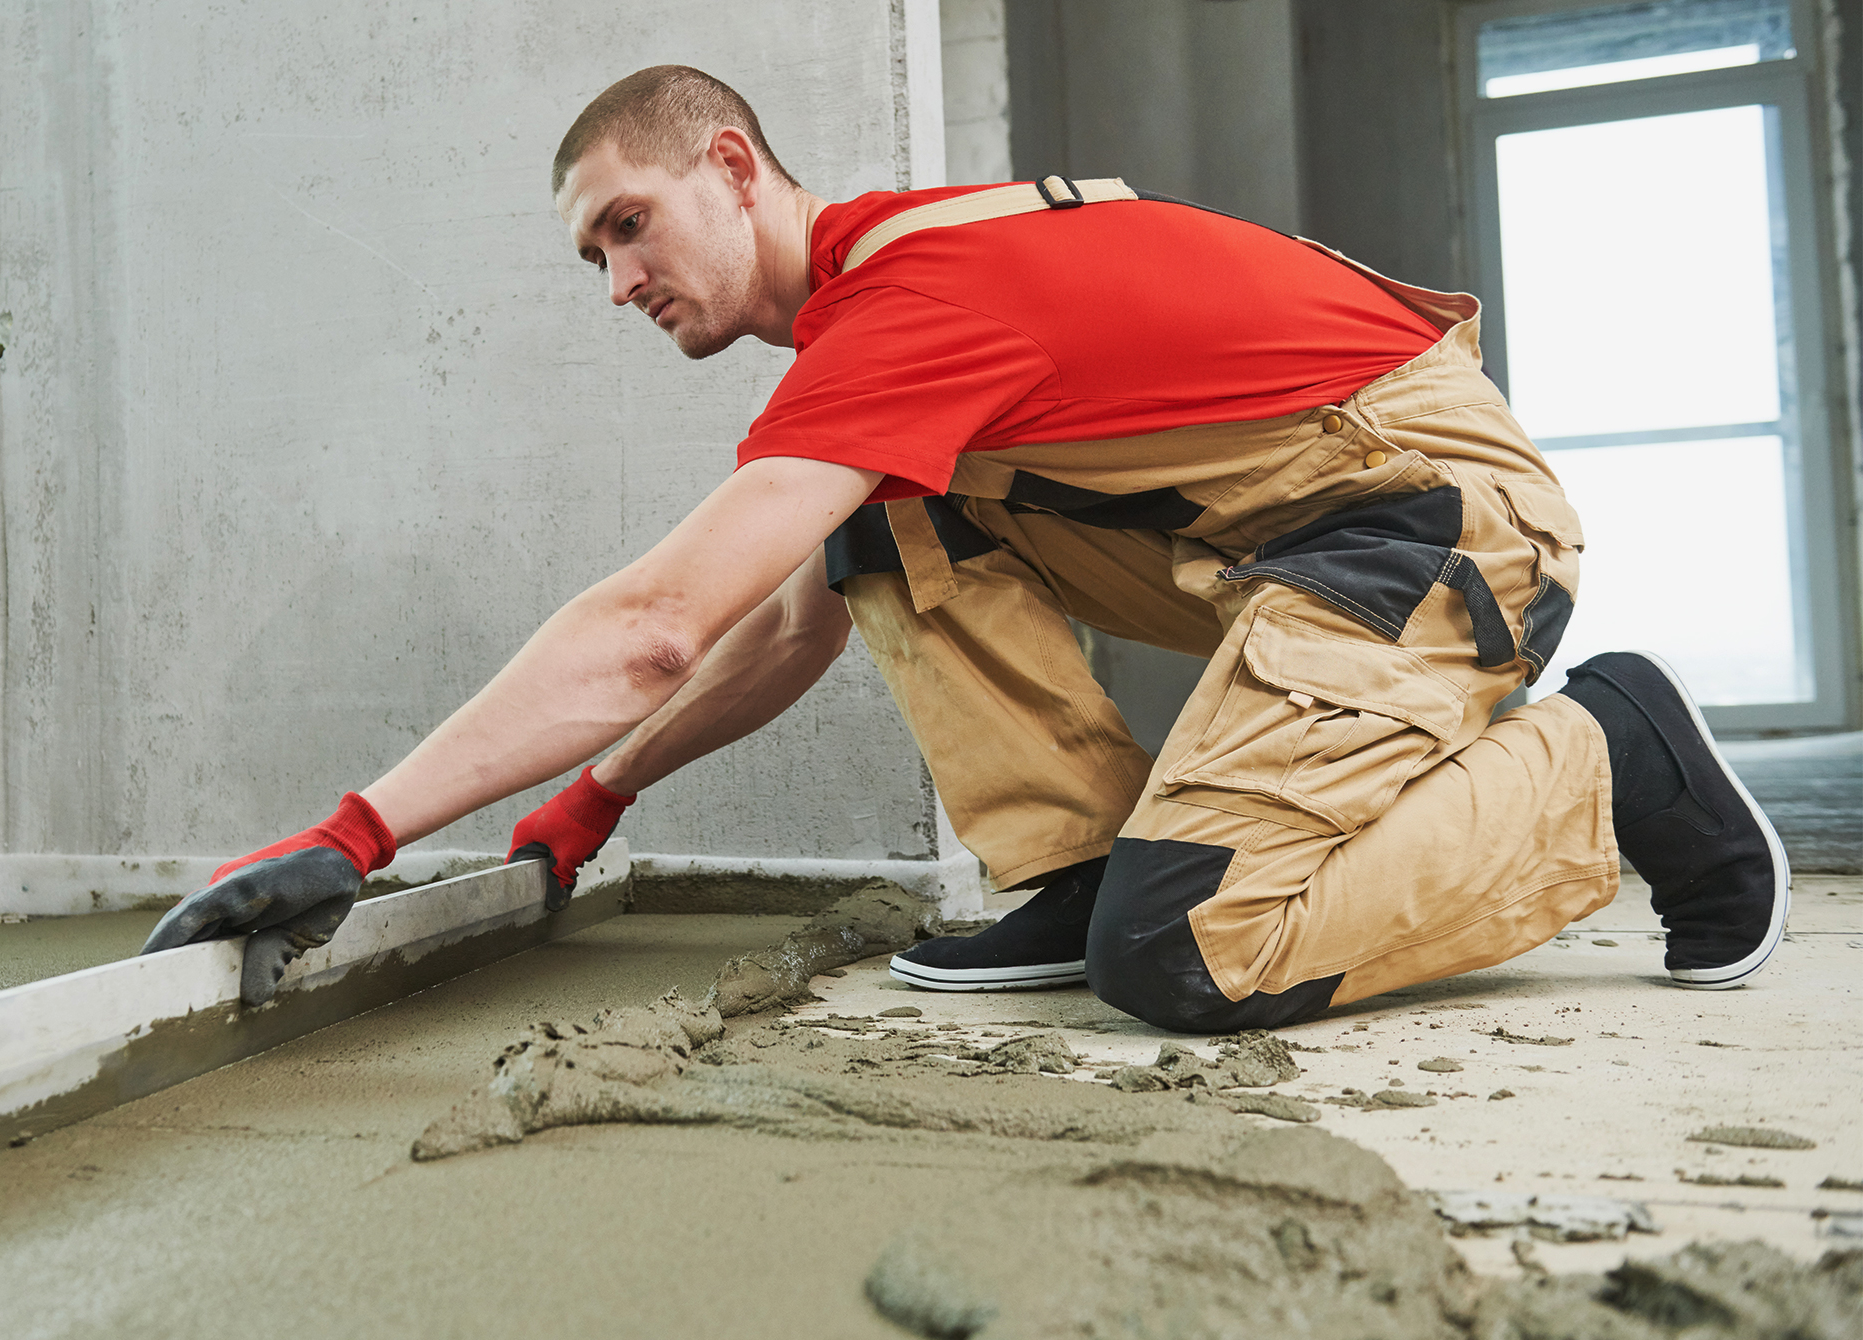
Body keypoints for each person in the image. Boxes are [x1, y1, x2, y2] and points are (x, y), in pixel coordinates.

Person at [142, 66, 1788, 1030]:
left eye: (628, 226)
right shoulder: (873, 337)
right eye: (590, 258)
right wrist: (587, 806)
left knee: (1193, 951)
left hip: (1426, 518)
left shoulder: (909, 307)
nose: (618, 280)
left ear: (733, 166)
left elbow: (656, 627)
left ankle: (1612, 753)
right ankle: (1072, 867)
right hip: (1291, 523)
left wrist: (356, 834)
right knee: (883, 517)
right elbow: (780, 633)